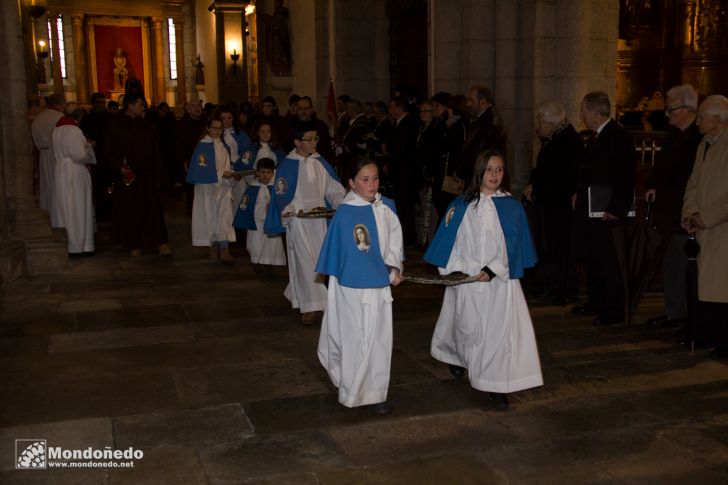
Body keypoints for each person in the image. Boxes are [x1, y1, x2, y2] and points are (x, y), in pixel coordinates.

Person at [424, 150, 542, 410]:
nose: (494, 175)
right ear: (479, 172)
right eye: (489, 169)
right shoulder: (462, 205)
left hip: (499, 282)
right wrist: (455, 269)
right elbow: (450, 243)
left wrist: (493, 269)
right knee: (465, 326)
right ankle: (456, 356)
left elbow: (514, 246)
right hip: (467, 278)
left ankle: (493, 383)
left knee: (496, 333)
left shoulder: (512, 207)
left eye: (499, 170)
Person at [316, 156, 404, 414]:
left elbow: (394, 244)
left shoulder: (386, 207)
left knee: (378, 338)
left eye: (375, 178)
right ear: (352, 183)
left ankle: (376, 392)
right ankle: (353, 390)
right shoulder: (346, 213)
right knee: (357, 337)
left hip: (380, 285)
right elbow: (353, 253)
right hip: (353, 287)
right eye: (365, 179)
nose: (372, 184)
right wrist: (385, 271)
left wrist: (395, 266)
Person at [264, 121, 346, 325]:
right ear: (297, 142)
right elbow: (282, 194)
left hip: (319, 220)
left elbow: (333, 188)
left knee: (318, 261)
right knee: (304, 261)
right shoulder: (287, 165)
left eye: (316, 138)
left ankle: (301, 295)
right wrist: (290, 211)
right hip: (299, 220)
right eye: (309, 139)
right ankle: (313, 307)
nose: (314, 143)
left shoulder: (320, 162)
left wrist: (341, 204)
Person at [571, 91, 635, 325]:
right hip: (592, 209)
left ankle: (614, 309)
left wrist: (616, 209)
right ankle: (596, 301)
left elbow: (625, 177)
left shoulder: (618, 137)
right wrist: (579, 192)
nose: (582, 115)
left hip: (607, 211)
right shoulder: (597, 136)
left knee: (609, 261)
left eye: (583, 111)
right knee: (594, 258)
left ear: (595, 113)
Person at [643, 84, 702, 328]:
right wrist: (652, 185)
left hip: (685, 212)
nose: (667, 114)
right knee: (670, 262)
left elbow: (693, 178)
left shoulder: (699, 138)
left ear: (688, 109)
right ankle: (674, 310)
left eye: (671, 109)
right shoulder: (673, 135)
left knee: (685, 264)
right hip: (667, 212)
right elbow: (660, 168)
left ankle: (688, 314)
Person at [682, 94, 728, 357]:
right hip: (703, 229)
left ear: (717, 120)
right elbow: (693, 184)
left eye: (701, 117)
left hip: (721, 228)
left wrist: (707, 216)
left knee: (722, 288)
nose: (697, 121)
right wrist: (690, 213)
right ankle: (710, 336)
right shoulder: (704, 145)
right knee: (707, 287)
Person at [523, 101, 583, 303]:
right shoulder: (553, 138)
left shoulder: (567, 141)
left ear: (550, 122)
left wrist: (537, 187)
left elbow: (562, 177)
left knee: (561, 248)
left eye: (541, 121)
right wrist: (533, 183)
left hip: (561, 206)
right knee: (551, 247)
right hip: (550, 203)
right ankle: (552, 285)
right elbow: (542, 169)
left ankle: (564, 290)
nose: (538, 126)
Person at [104, 93, 171, 256]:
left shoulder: (146, 125)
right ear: (130, 105)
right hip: (129, 176)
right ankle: (133, 243)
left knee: (152, 210)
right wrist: (119, 167)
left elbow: (155, 150)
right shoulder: (115, 125)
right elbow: (108, 151)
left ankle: (159, 242)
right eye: (141, 105)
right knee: (132, 210)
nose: (143, 108)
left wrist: (160, 175)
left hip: (147, 175)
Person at [186, 116, 238, 262]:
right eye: (214, 128)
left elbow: (227, 165)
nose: (217, 131)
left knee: (225, 218)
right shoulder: (203, 145)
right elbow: (202, 169)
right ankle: (213, 246)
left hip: (224, 187)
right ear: (208, 129)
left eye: (220, 128)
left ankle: (225, 248)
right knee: (211, 217)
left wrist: (232, 175)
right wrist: (222, 174)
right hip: (208, 188)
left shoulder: (224, 145)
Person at [52, 105, 96, 256]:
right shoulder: (73, 130)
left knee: (66, 207)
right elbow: (79, 154)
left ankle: (71, 245)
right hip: (74, 171)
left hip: (61, 170)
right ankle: (80, 246)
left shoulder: (57, 128)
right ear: (79, 117)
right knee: (77, 207)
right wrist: (89, 149)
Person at [233, 157, 286, 273]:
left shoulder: (277, 188)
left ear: (273, 173)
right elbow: (245, 205)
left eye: (268, 172)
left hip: (271, 223)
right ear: (257, 172)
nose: (265, 176)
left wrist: (275, 208)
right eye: (262, 172)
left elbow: (283, 203)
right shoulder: (252, 188)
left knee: (271, 246)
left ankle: (269, 267)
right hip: (256, 223)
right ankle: (256, 264)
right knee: (256, 245)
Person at [455, 85, 507, 183]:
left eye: (471, 100)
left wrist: (462, 173)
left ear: (482, 102)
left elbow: (477, 153)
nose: (468, 104)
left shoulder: (489, 123)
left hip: (483, 178)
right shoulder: (484, 120)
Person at [30, 93, 65, 227]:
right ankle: (60, 220)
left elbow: (35, 139)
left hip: (43, 156)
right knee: (57, 188)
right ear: (59, 104)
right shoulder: (59, 118)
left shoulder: (38, 118)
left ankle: (48, 218)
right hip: (56, 155)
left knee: (46, 188)